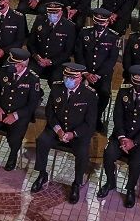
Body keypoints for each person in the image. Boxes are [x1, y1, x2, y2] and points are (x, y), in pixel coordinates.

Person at [30, 61, 98, 203]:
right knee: (42, 141)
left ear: (80, 78)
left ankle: (76, 183)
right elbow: (50, 112)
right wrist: (58, 130)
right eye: (66, 77)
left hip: (77, 134)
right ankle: (42, 174)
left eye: (72, 78)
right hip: (57, 129)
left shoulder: (89, 95)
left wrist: (73, 134)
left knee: (82, 152)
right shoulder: (56, 88)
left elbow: (90, 124)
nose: (68, 80)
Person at [97, 65, 140, 208]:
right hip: (121, 135)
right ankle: (110, 182)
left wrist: (134, 142)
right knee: (108, 153)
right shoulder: (124, 91)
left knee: (135, 163)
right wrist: (121, 138)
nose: (137, 86)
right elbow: (117, 116)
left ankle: (130, 189)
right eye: (135, 83)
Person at [0, 47, 42, 171]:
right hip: (1, 111)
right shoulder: (6, 71)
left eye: (13, 64)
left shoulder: (33, 79)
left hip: (18, 116)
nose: (9, 65)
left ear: (21, 65)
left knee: (15, 137)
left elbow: (32, 104)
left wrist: (16, 115)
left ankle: (12, 156)